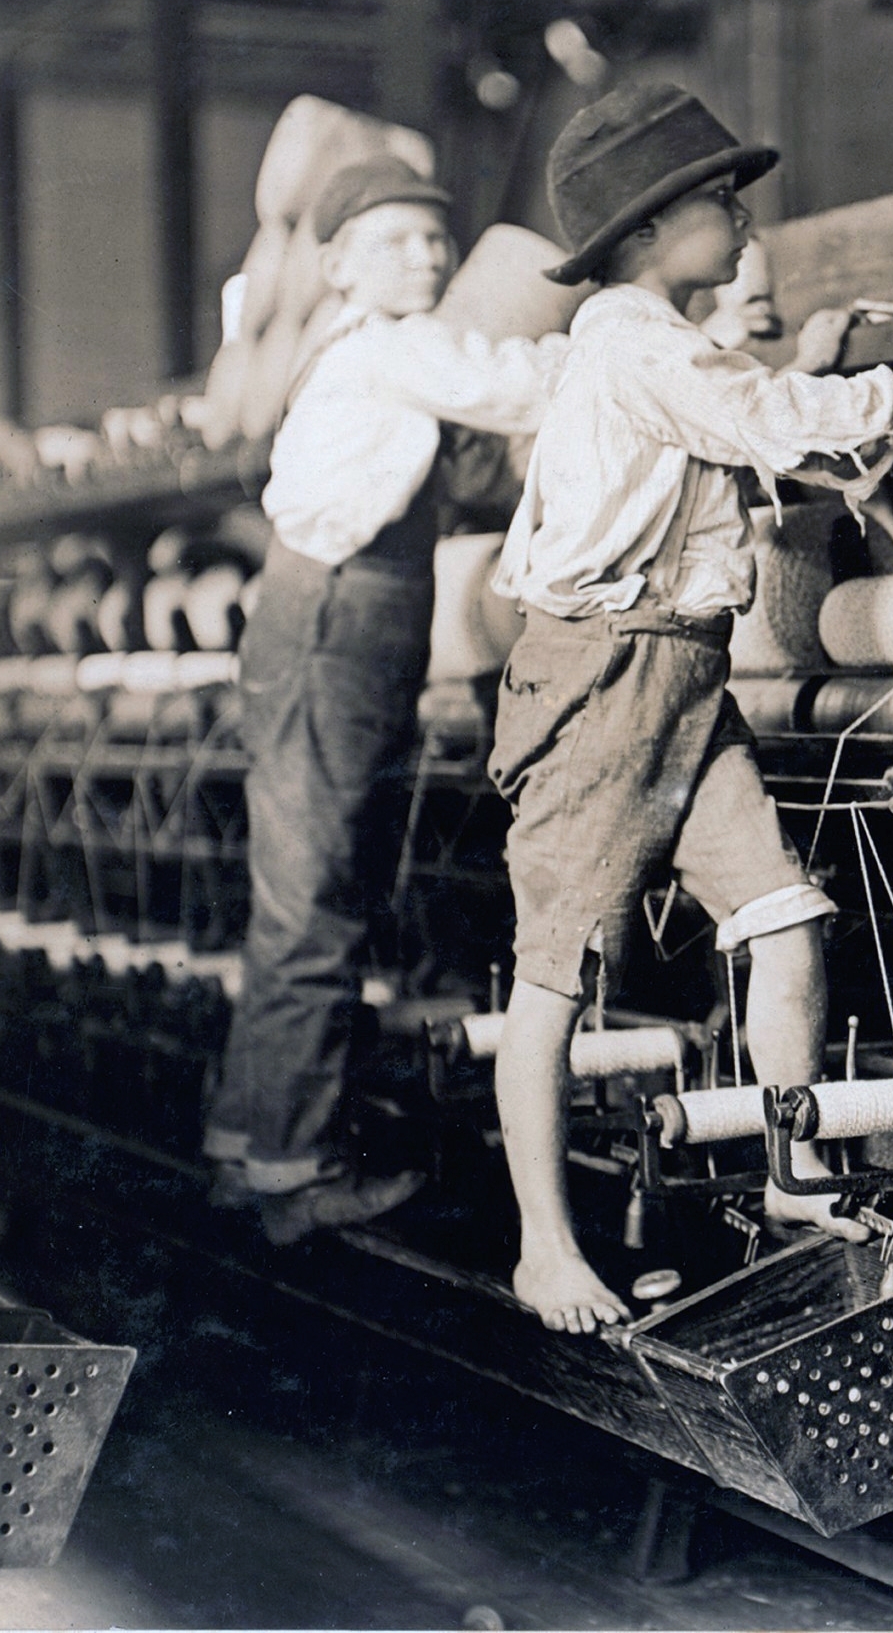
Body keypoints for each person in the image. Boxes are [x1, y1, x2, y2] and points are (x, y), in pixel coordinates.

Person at [486, 82, 893, 1332]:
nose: (743, 220)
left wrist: (840, 370)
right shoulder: (635, 340)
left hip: (683, 673)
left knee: (785, 918)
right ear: (641, 235)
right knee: (556, 979)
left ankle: (793, 1176)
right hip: (602, 680)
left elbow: (776, 419)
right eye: (717, 201)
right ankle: (541, 1247)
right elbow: (783, 421)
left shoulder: (664, 344)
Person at [205, 155, 567, 1246]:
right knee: (316, 901)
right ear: (335, 265)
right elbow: (525, 384)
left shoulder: (357, 351)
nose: (425, 254)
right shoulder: (396, 347)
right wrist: (638, 338)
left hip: (326, 621)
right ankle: (296, 1172)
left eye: (433, 237)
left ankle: (253, 1139)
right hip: (339, 628)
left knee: (306, 897)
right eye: (395, 240)